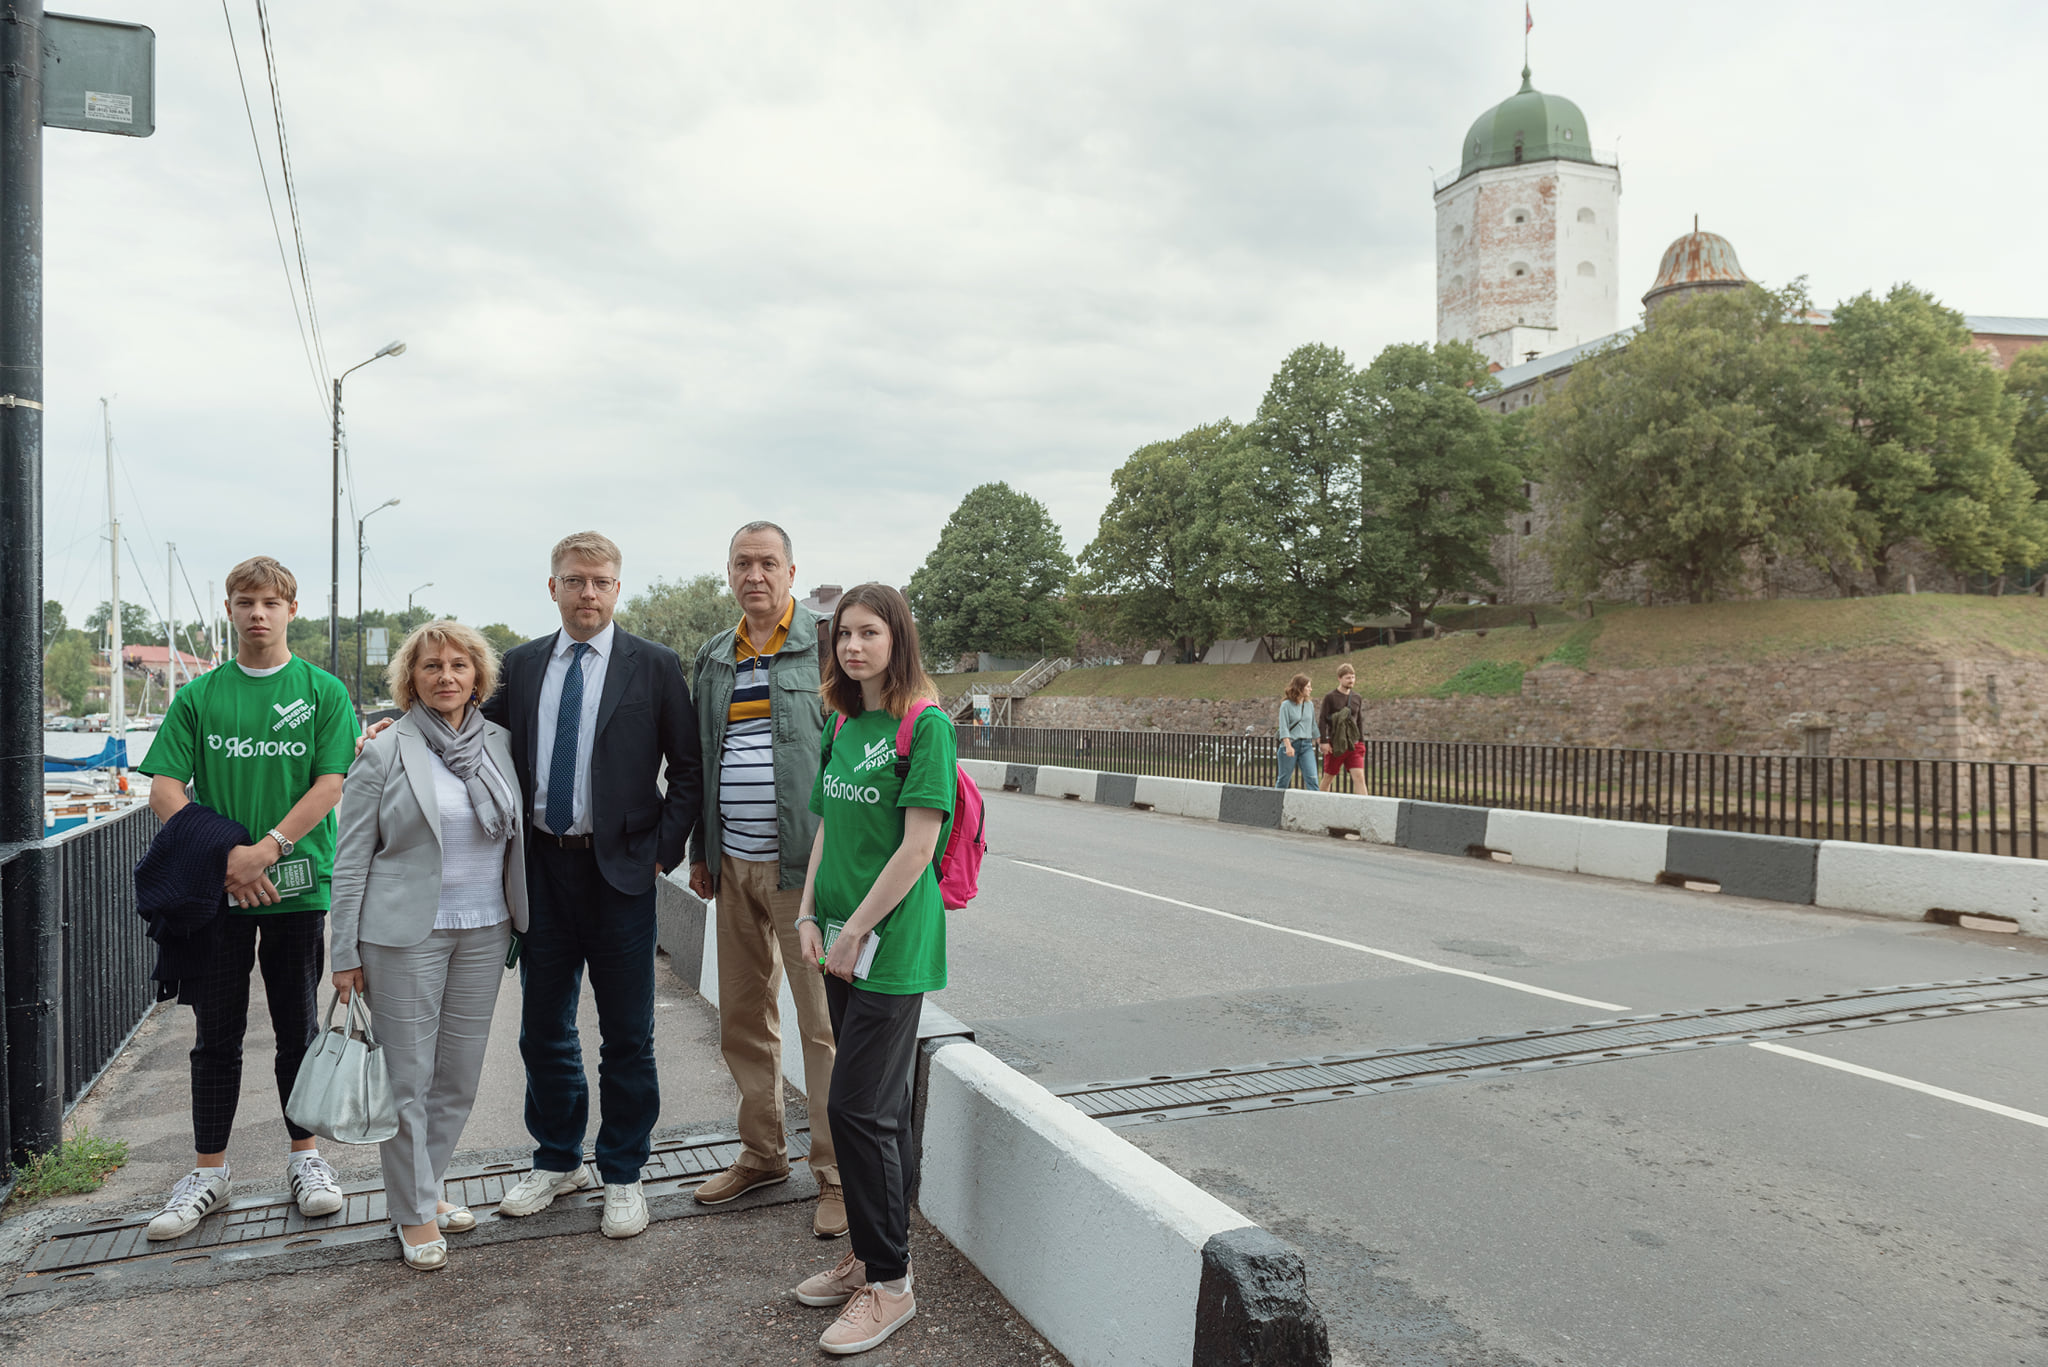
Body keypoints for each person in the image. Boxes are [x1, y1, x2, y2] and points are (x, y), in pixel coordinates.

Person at [484, 532, 703, 1238]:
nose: (588, 593)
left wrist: (661, 854)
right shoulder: (516, 667)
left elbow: (688, 769)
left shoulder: (655, 666)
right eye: (575, 580)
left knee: (627, 1033)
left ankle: (623, 1170)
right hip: (541, 868)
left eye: (601, 581)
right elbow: (472, 751)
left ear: (617, 588)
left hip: (623, 874)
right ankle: (556, 1157)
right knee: (542, 1027)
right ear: (553, 587)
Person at [135, 556, 357, 1241]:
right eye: (244, 601)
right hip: (219, 893)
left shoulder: (323, 692)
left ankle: (306, 1158)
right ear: (228, 610)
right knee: (216, 1035)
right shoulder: (199, 697)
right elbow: (165, 788)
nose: (257, 612)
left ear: (292, 609)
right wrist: (226, 856)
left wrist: (269, 848)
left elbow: (330, 782)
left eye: (269, 601)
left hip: (296, 886)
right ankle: (209, 1171)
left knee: (299, 1030)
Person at [790, 584, 956, 1356]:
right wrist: (806, 914)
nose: (853, 647)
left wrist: (857, 930)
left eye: (869, 632)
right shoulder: (842, 720)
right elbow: (829, 825)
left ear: (898, 638)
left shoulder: (926, 726)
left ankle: (891, 1286)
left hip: (891, 948)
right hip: (838, 939)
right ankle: (867, 1252)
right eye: (843, 635)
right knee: (867, 1110)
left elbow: (917, 847)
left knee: (860, 1110)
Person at [330, 621, 527, 1270]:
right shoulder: (384, 750)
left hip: (485, 926)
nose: (446, 675)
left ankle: (425, 1185)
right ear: (409, 678)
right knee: (408, 1080)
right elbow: (351, 856)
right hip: (401, 935)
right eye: (431, 666)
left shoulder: (500, 743)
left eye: (459, 665)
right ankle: (413, 1211)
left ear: (478, 676)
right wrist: (343, 951)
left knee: (459, 1077)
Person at [686, 521, 844, 1238]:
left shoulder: (825, 646)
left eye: (768, 563)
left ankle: (837, 1172)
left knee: (822, 1026)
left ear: (790, 571)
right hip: (733, 865)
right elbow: (702, 756)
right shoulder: (715, 656)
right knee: (745, 1020)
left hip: (804, 873)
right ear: (729, 572)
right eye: (743, 563)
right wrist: (701, 851)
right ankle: (763, 1152)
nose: (755, 574)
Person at [1318, 664, 1367, 794]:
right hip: (1336, 744)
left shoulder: (1357, 697)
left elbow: (1358, 720)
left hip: (1354, 745)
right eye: (1347, 678)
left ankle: (1365, 809)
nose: (1351, 680)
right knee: (1329, 777)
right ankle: (1321, 805)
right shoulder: (1330, 697)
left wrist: (1361, 742)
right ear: (1339, 678)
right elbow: (1322, 719)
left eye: (1353, 677)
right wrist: (1323, 742)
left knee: (1359, 777)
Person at [1275, 673, 1319, 791]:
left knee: (1313, 779)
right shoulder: (1286, 705)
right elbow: (1283, 727)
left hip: (1307, 746)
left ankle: (1315, 808)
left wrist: (1321, 740)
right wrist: (1288, 746)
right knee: (1284, 780)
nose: (1311, 689)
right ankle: (1274, 805)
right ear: (1300, 687)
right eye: (1308, 686)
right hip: (1290, 744)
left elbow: (1313, 725)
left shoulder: (1309, 705)